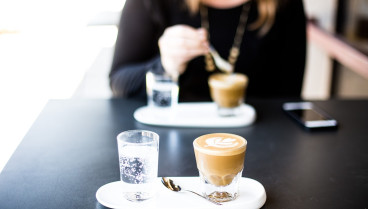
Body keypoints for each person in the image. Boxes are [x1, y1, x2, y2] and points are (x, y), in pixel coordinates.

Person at [109, 0, 306, 101]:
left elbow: (288, 96)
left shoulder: (284, 4)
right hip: (167, 138)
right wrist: (166, 66)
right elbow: (119, 82)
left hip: (258, 145)